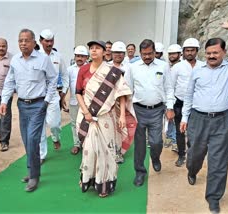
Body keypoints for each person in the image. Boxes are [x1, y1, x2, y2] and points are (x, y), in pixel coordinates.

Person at [180, 22, 228, 213]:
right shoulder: (197, 71)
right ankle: (192, 169)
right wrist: (184, 117)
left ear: (223, 53)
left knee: (218, 160)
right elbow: (189, 96)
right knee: (195, 153)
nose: (212, 56)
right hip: (198, 119)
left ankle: (214, 197)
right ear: (204, 54)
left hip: (222, 121)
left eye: (215, 52)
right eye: (208, 53)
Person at [76, 40, 136, 198]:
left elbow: (122, 94)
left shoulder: (113, 71)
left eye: (97, 48)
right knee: (89, 150)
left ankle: (105, 184)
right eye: (91, 48)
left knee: (107, 151)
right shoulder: (83, 70)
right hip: (87, 117)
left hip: (106, 118)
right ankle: (87, 178)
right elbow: (78, 92)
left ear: (104, 52)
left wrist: (122, 115)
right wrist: (86, 112)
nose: (93, 51)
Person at [0, 29, 57, 192]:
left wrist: (46, 101)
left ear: (33, 42)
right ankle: (32, 169)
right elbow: (10, 82)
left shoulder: (43, 59)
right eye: (20, 40)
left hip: (39, 105)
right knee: (26, 139)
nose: (23, 43)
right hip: (22, 105)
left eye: (26, 40)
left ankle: (34, 176)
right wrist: (4, 101)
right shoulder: (15, 60)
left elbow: (53, 80)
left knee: (33, 139)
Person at [125, 39, 175, 187]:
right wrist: (128, 111)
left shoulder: (163, 66)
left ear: (155, 52)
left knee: (156, 142)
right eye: (144, 54)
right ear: (140, 53)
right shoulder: (133, 68)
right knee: (139, 145)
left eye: (150, 53)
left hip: (157, 110)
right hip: (138, 110)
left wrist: (170, 107)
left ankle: (155, 157)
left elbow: (169, 88)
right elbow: (128, 90)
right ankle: (140, 172)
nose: (147, 57)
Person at [170, 38, 204, 167]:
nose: (190, 53)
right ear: (183, 52)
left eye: (192, 50)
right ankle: (181, 155)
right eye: (187, 50)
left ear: (197, 51)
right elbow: (171, 86)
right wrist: (170, 106)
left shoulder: (203, 66)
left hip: (197, 105)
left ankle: (192, 154)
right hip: (180, 103)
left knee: (195, 131)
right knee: (180, 131)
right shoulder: (177, 67)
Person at [38, 29, 67, 163]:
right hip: (38, 96)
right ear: (40, 41)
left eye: (51, 41)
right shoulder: (36, 56)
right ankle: (41, 155)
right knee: (41, 126)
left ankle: (56, 137)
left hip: (54, 94)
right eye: (46, 41)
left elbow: (65, 75)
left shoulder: (58, 57)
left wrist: (64, 91)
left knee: (54, 123)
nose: (49, 43)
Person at [67, 45, 88, 155]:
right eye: (77, 56)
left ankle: (86, 144)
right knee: (74, 123)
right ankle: (76, 144)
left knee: (87, 123)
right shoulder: (69, 70)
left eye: (82, 56)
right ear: (74, 57)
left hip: (87, 103)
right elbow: (66, 84)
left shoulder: (90, 68)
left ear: (86, 57)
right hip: (74, 101)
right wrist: (62, 99)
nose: (79, 58)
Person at [164, 44, 183, 153]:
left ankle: (176, 141)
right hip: (168, 97)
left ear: (179, 54)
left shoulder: (183, 66)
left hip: (178, 97)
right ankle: (169, 136)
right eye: (170, 54)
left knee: (177, 119)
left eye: (174, 53)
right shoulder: (166, 66)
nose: (171, 56)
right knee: (169, 118)